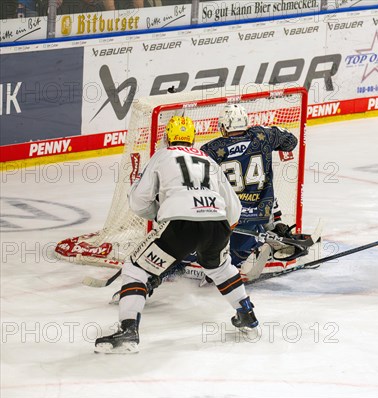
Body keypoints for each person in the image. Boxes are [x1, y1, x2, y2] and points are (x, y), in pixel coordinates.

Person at [95, 116, 257, 354]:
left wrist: (162, 215)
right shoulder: (208, 159)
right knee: (220, 268)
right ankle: (247, 316)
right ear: (192, 138)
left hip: (179, 221)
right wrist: (217, 225)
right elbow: (234, 209)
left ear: (167, 137)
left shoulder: (162, 155)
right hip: (217, 222)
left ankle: (128, 331)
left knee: (136, 268)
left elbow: (139, 201)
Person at [199, 103, 300, 272]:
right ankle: (270, 234)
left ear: (224, 126)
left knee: (208, 250)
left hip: (227, 218)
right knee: (265, 191)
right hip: (259, 214)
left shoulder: (211, 149)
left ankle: (229, 260)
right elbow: (291, 142)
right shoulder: (263, 136)